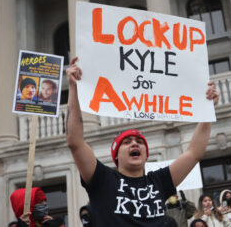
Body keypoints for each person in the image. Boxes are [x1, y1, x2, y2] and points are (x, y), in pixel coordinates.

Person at [65, 56, 219, 226]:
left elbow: (193, 153)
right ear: (116, 156)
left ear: (146, 155)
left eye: (139, 141)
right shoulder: (103, 179)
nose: (134, 143)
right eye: (127, 142)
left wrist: (206, 113)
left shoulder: (159, 181)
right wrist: (73, 88)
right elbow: (75, 142)